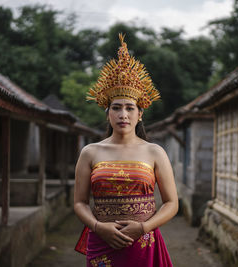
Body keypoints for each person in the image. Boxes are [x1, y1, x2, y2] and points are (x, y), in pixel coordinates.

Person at [73, 33, 178, 267]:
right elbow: (79, 202)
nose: (123, 114)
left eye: (130, 108)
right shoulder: (90, 152)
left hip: (143, 243)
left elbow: (172, 203)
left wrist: (143, 227)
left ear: (140, 114)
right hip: (101, 242)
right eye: (117, 108)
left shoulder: (154, 152)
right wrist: (99, 227)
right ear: (108, 112)